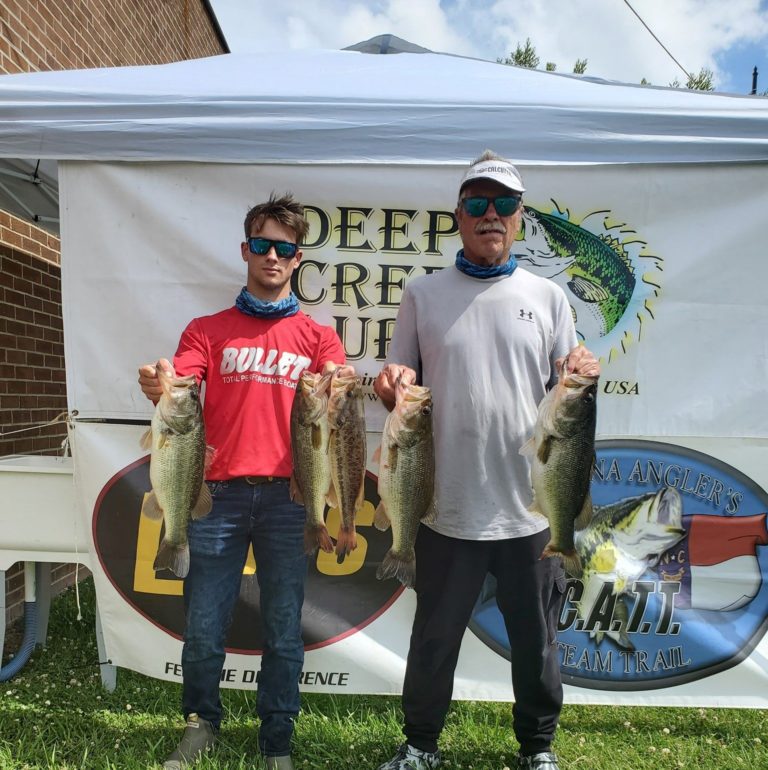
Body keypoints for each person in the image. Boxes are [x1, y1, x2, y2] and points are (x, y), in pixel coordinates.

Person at [373, 151, 600, 770]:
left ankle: (538, 748)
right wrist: (388, 384)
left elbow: (567, 380)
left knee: (536, 642)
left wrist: (581, 369)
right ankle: (420, 745)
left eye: (503, 205)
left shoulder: (549, 297)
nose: (490, 215)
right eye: (477, 204)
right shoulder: (421, 294)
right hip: (446, 504)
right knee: (434, 640)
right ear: (459, 218)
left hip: (531, 509)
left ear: (520, 218)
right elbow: (396, 382)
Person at [138, 193, 346, 770]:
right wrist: (157, 383)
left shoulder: (318, 337)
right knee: (204, 626)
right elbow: (176, 384)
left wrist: (342, 385)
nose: (272, 256)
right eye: (262, 245)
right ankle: (201, 722)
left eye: (284, 247)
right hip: (217, 497)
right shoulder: (207, 329)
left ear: (298, 258)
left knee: (284, 628)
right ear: (245, 250)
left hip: (289, 499)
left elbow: (336, 392)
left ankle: (276, 738)